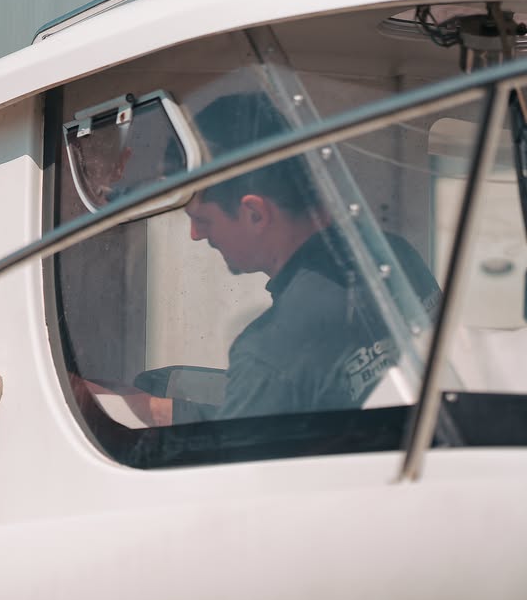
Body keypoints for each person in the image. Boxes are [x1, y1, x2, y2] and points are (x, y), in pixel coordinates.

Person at [165, 92, 441, 423]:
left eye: (203, 219)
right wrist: (164, 410)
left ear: (255, 213)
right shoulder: (396, 255)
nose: (195, 234)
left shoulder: (270, 351)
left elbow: (237, 453)